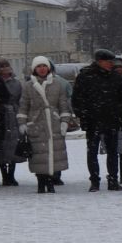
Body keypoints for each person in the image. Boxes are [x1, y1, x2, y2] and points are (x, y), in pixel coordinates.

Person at [73, 50, 122, 191]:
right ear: (99, 61)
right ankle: (94, 181)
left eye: (112, 62)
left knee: (112, 151)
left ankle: (113, 180)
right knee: (92, 152)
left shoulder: (115, 77)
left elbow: (121, 100)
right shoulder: (85, 76)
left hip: (112, 119)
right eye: (108, 61)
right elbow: (77, 99)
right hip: (93, 120)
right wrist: (83, 116)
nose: (111, 64)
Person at [20, 55, 77, 188]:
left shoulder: (57, 84)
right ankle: (41, 182)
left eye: (44, 66)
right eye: (39, 66)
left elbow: (63, 105)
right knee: (39, 155)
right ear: (34, 69)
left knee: (53, 152)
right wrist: (22, 123)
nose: (42, 69)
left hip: (54, 123)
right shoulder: (28, 86)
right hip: (36, 124)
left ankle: (52, 181)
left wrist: (64, 121)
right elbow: (23, 106)